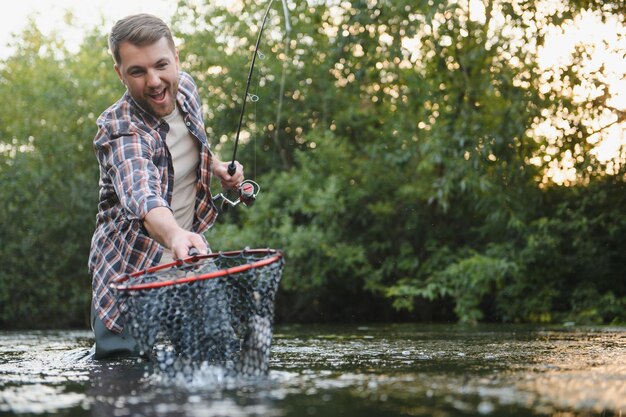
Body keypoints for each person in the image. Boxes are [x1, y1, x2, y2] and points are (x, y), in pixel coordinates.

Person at [87, 13, 244, 359]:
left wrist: (217, 167)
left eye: (161, 65)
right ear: (120, 74)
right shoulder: (119, 129)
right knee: (122, 377)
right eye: (138, 72)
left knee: (218, 360)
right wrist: (174, 235)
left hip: (189, 258)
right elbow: (142, 194)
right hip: (128, 273)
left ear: (176, 57)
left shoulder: (185, 88)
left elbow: (193, 143)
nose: (155, 81)